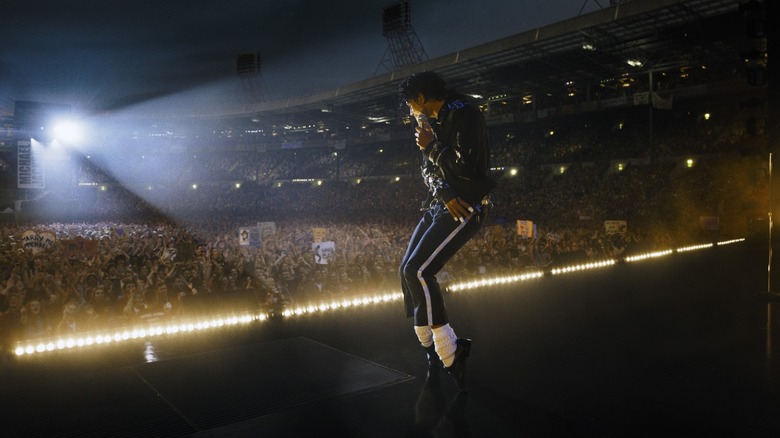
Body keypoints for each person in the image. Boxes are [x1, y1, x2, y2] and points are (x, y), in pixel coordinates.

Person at [398, 70, 496, 392]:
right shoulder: (429, 122)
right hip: (442, 202)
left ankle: (451, 353)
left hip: (467, 207)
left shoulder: (465, 114)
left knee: (420, 271)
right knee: (406, 271)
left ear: (422, 99)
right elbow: (427, 169)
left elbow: (469, 169)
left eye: (412, 103)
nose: (411, 110)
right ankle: (430, 348)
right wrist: (443, 191)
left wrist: (432, 147)